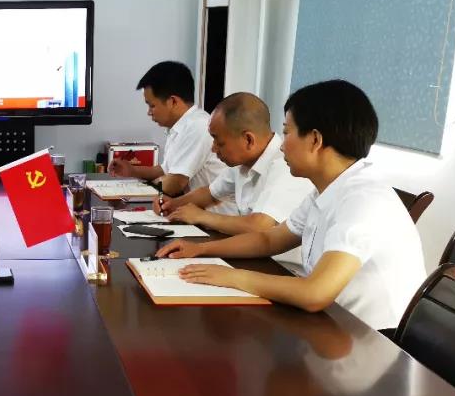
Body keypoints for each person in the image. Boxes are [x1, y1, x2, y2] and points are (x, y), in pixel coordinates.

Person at [155, 80, 426, 332]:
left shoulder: (362, 199)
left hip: (374, 341)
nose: (282, 145)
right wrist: (200, 249)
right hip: (335, 325)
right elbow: (268, 240)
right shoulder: (325, 191)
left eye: (287, 132)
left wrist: (232, 277)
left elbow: (315, 292)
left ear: (315, 140)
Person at [154, 92, 312, 237]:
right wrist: (172, 204)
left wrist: (202, 216)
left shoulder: (285, 165)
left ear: (248, 140)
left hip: (274, 258)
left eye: (219, 142)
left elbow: (259, 226)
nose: (213, 148)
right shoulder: (242, 162)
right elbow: (211, 194)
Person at [109, 61, 235, 213]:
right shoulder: (179, 126)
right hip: (195, 214)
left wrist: (127, 190)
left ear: (173, 101)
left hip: (216, 219)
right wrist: (132, 170)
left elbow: (174, 184)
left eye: (152, 105)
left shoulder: (198, 126)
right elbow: (165, 170)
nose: (149, 112)